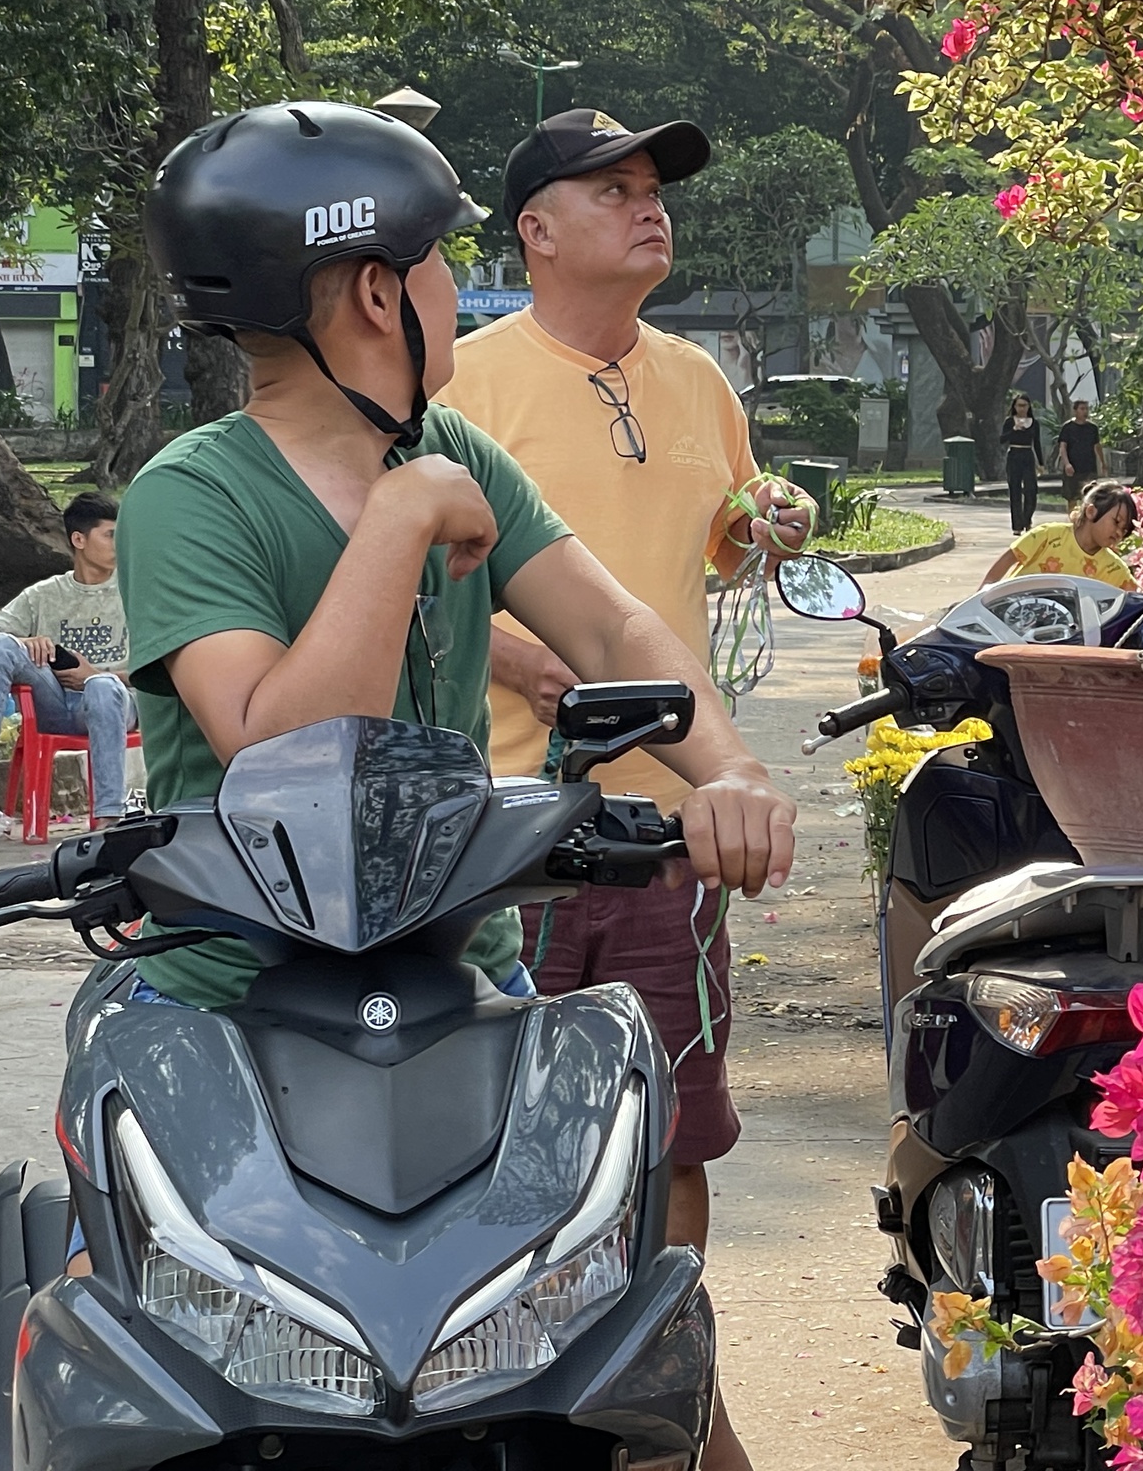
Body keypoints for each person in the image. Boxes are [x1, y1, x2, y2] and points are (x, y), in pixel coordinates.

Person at [116, 101, 796, 1018]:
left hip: (466, 971)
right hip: (239, 1000)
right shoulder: (193, 494)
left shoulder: (454, 450)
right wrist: (398, 519)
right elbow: (281, 757)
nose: (459, 286)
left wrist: (730, 770)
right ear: (377, 294)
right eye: (442, 259)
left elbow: (608, 626)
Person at [437, 107, 810, 1471]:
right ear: (535, 231)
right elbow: (423, 587)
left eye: (654, 189)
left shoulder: (702, 380)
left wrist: (762, 535)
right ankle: (514, 1403)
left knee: (669, 1139)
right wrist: (549, 670)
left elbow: (713, 553)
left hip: (666, 827)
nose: (650, 208)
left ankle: (661, 1399)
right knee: (500, 1152)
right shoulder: (464, 384)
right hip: (503, 837)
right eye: (614, 190)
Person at [0, 492, 132, 827]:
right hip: (55, 703)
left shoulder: (134, 591)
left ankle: (109, 817)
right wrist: (25, 641)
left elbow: (163, 665)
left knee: (101, 685)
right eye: (111, 535)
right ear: (78, 539)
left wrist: (94, 673)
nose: (120, 543)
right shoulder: (43, 595)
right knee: (1, 648)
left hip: (117, 702)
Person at [981, 480, 1139, 589]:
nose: (1119, 532)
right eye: (1117, 522)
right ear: (1091, 512)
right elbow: (1009, 558)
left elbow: (1136, 598)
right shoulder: (1048, 536)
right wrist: (980, 596)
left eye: (1125, 530)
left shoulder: (1114, 569)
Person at [999, 393, 1042, 534]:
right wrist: (1014, 430)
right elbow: (1002, 439)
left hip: (1027, 456)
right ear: (1014, 407)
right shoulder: (1009, 421)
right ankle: (1017, 525)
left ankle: (1027, 518)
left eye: (1024, 405)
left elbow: (1037, 443)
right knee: (1015, 491)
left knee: (1031, 490)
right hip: (1014, 455)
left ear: (1029, 406)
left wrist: (1041, 463)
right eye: (1019, 405)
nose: (1021, 408)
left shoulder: (1034, 423)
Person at [1055, 399, 1103, 503]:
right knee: (1071, 497)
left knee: (1090, 497)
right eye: (1082, 409)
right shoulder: (1067, 427)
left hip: (1089, 467)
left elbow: (1097, 446)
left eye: (1087, 409)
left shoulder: (1092, 428)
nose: (1085, 411)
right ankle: (1072, 518)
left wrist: (1103, 463)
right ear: (1075, 411)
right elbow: (1063, 447)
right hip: (1073, 467)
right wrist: (1067, 464)